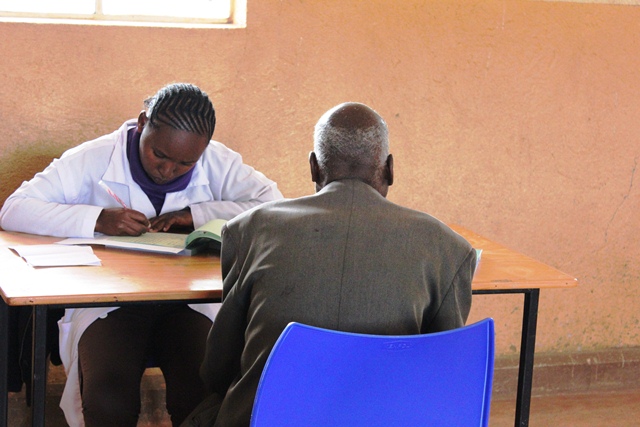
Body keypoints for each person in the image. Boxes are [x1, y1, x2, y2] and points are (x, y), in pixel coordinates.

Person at [0, 83, 283, 427]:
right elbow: (15, 209)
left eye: (185, 163)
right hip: (108, 301)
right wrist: (98, 218)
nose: (168, 170)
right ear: (142, 123)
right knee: (108, 398)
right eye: (159, 155)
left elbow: (273, 205)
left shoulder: (218, 161)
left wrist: (196, 214)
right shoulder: (95, 157)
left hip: (188, 302)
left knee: (203, 390)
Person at [183, 102, 477, 427]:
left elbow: (219, 368)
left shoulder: (250, 230)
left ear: (314, 167)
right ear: (390, 169)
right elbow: (444, 376)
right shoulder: (446, 247)